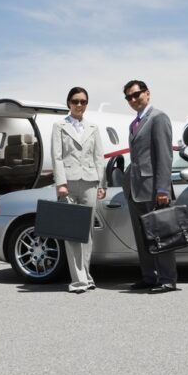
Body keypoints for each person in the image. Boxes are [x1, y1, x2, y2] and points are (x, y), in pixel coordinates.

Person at [122, 80, 178, 293]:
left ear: (147, 93)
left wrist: (163, 189)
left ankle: (167, 279)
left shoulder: (158, 118)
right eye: (129, 97)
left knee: (161, 235)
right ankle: (149, 277)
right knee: (142, 236)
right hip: (135, 190)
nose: (133, 100)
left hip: (154, 189)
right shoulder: (134, 123)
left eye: (136, 95)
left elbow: (165, 155)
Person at [51, 87, 107, 293]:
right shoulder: (59, 126)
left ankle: (86, 275)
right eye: (75, 101)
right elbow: (56, 156)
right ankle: (78, 281)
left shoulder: (93, 127)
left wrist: (102, 184)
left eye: (83, 101)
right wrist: (61, 183)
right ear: (68, 103)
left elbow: (99, 157)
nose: (79, 105)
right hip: (69, 183)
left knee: (87, 233)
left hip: (90, 182)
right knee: (72, 233)